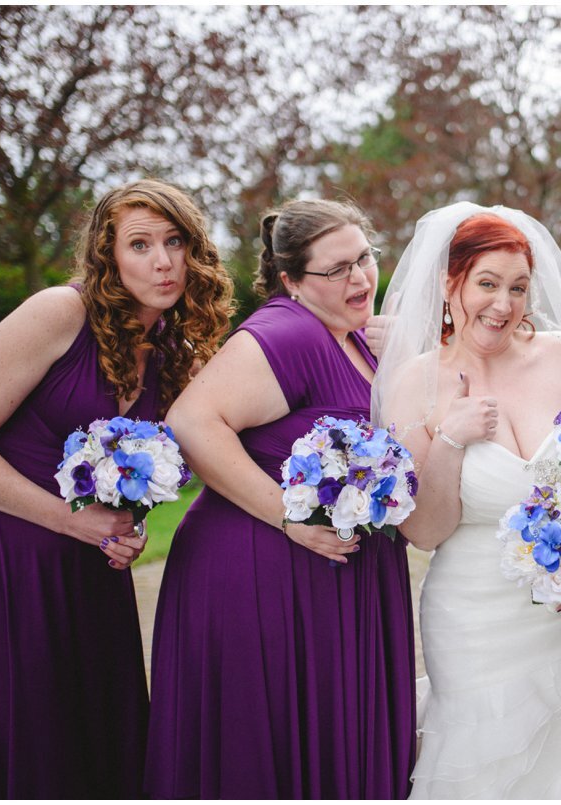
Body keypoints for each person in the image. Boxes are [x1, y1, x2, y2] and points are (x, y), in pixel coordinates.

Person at [0, 178, 234, 798]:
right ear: (108, 256)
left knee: (90, 737)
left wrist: (131, 522)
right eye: (140, 244)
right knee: (17, 734)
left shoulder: (176, 350)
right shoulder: (58, 313)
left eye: (175, 242)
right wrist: (72, 520)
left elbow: (170, 461)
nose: (163, 260)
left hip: (90, 569)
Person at [144, 199, 415, 798]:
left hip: (327, 571)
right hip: (265, 572)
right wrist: (288, 518)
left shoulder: (352, 336)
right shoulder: (286, 332)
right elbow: (191, 421)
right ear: (291, 280)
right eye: (337, 269)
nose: (361, 278)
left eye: (365, 258)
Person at [372, 202, 561, 799]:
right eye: (486, 284)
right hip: (473, 618)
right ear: (449, 283)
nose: (503, 303)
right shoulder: (414, 380)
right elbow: (426, 531)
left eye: (518, 287)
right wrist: (449, 440)